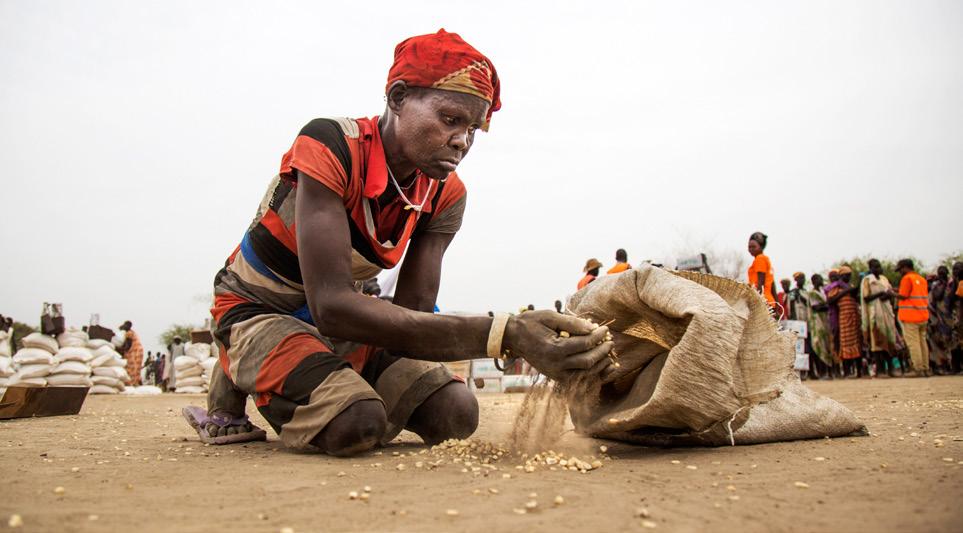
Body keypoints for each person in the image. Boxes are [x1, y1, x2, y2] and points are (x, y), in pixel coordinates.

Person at [182, 30, 614, 455]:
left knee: (456, 413)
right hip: (262, 307)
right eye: (450, 119)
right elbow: (330, 306)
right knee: (357, 421)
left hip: (339, 322)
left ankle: (322, 375)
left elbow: (413, 317)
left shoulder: (444, 194)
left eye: (474, 129)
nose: (462, 140)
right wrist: (506, 333)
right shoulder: (330, 146)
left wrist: (520, 336)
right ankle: (243, 362)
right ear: (398, 97)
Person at [860, 259, 902, 377]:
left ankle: (891, 369)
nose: (879, 269)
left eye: (879, 266)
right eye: (876, 267)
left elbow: (889, 292)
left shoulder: (884, 279)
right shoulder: (867, 280)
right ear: (871, 268)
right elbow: (866, 298)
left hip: (887, 312)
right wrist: (880, 294)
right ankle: (880, 370)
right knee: (877, 341)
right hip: (875, 313)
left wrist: (887, 294)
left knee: (890, 340)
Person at [896, 258, 930, 377]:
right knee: (922, 342)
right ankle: (925, 368)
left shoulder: (907, 278)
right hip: (923, 315)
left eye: (900, 269)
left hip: (910, 316)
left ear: (905, 267)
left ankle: (918, 368)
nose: (900, 272)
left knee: (913, 343)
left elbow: (903, 295)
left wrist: (890, 293)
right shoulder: (921, 279)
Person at [826, 266, 862, 377]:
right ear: (841, 276)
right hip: (843, 319)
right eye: (846, 275)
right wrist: (846, 291)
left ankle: (859, 372)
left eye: (849, 275)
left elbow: (856, 297)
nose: (848, 277)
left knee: (857, 343)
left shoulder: (849, 286)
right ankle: (847, 372)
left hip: (854, 317)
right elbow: (830, 300)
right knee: (845, 344)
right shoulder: (836, 288)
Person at [928, 265, 955, 373]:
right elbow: (937, 297)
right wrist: (943, 284)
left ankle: (953, 365)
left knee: (952, 341)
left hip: (951, 317)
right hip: (939, 318)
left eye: (943, 272)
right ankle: (942, 365)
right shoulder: (937, 285)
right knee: (940, 341)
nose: (941, 274)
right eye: (940, 273)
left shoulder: (952, 283)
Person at [807, 273, 835, 378]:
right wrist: (827, 305)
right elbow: (816, 307)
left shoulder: (823, 292)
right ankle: (822, 372)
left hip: (825, 322)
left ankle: (829, 372)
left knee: (827, 346)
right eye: (819, 279)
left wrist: (825, 305)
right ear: (814, 281)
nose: (821, 281)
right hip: (817, 322)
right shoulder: (812, 293)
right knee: (819, 345)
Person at [746, 232, 776, 310]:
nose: (751, 249)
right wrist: (776, 304)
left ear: (761, 247)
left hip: (762, 301)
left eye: (754, 247)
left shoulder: (760, 259)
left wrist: (756, 302)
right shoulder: (766, 259)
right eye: (749, 247)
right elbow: (772, 284)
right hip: (769, 301)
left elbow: (760, 283)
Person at [119, 321, 143, 386]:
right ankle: (136, 382)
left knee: (131, 367)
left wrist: (121, 351)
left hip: (135, 351)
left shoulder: (129, 333)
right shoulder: (132, 332)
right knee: (136, 368)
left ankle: (132, 382)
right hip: (137, 350)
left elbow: (128, 345)